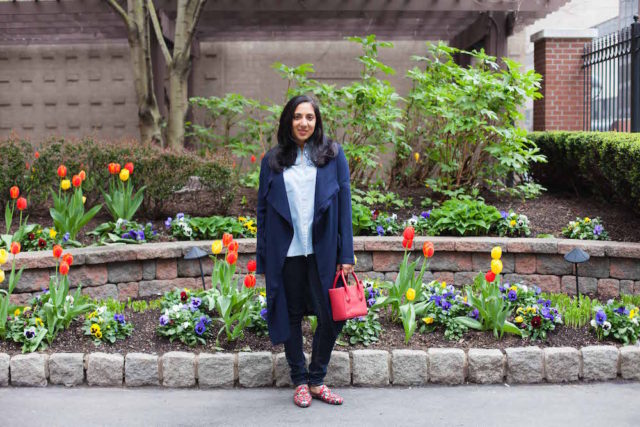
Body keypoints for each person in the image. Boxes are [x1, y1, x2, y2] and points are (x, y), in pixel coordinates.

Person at [256, 95, 354, 408]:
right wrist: (263, 260)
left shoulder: (333, 156)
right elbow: (262, 212)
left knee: (332, 315)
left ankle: (317, 378)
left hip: (323, 249)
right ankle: (300, 380)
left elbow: (345, 209)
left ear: (317, 121)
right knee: (291, 314)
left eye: (309, 117)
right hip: (287, 252)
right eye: (298, 117)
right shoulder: (272, 161)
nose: (304, 123)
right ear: (288, 121)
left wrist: (346, 255)